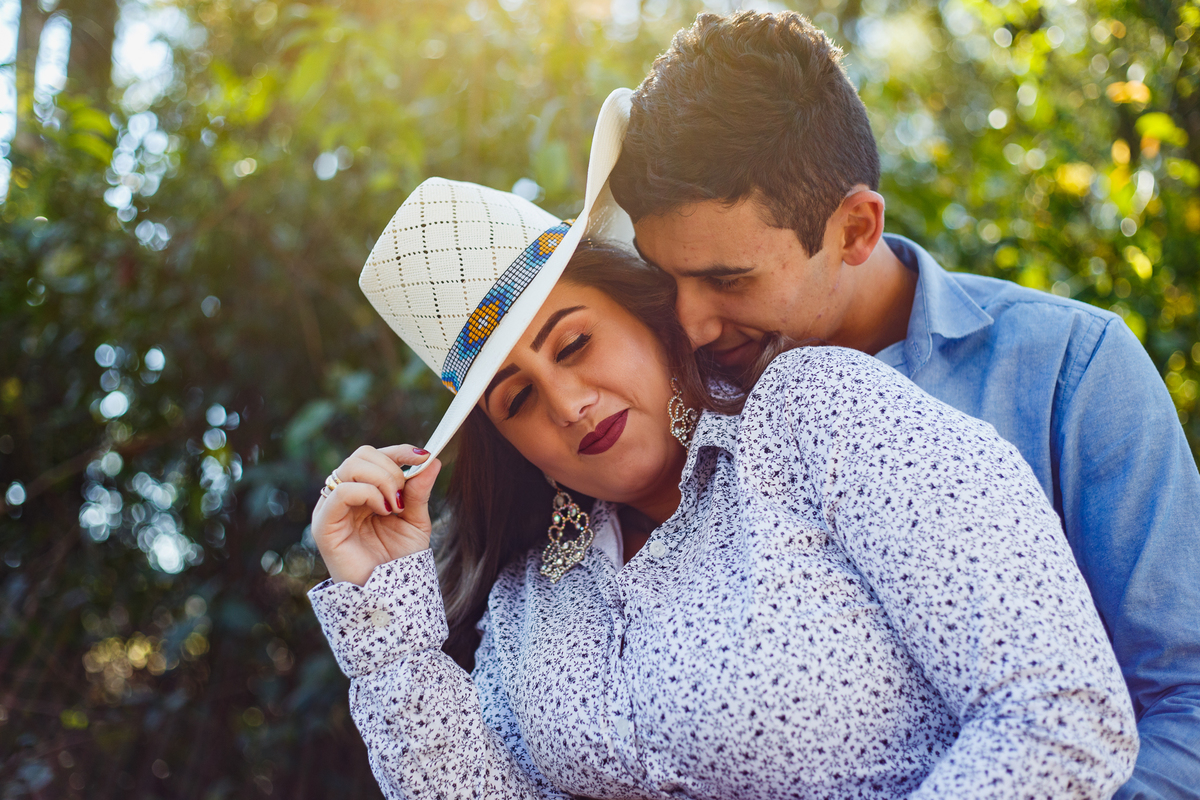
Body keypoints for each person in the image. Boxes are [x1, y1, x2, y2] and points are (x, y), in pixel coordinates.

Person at [305, 93, 1136, 799]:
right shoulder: (531, 595)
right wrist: (389, 626)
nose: (567, 403)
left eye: (574, 344)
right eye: (517, 398)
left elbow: (1061, 713)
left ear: (645, 311)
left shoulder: (822, 417)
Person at [607, 11, 1200, 799]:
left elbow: (1184, 699)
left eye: (727, 279)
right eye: (664, 274)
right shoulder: (685, 402)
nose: (690, 322)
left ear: (855, 227)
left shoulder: (1069, 373)